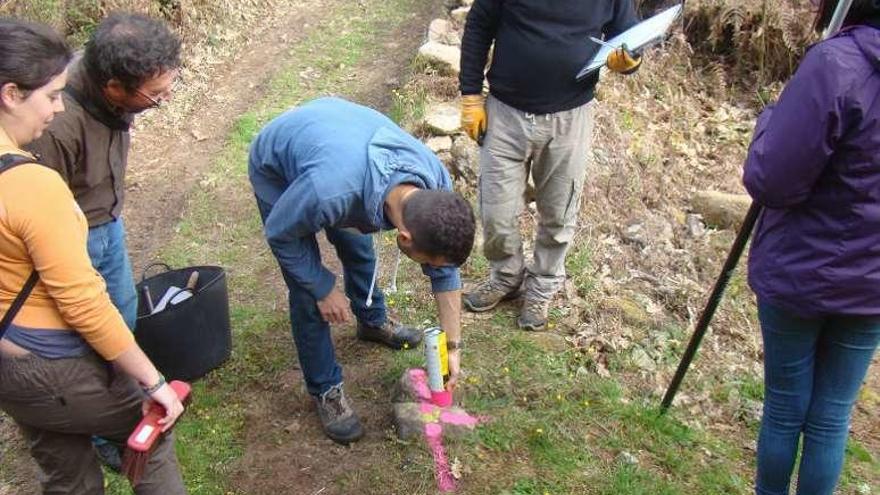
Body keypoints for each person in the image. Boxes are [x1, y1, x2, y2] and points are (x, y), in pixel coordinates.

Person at [0, 18, 186, 494]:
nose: (56, 106)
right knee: (153, 430)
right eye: (49, 96)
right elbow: (83, 302)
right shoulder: (31, 180)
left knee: (67, 473)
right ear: (11, 94)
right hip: (48, 364)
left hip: (11, 364)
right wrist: (153, 383)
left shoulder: (104, 88)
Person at [249, 97, 476, 445]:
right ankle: (325, 388)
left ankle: (371, 322)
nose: (431, 270)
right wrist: (323, 288)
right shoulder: (329, 192)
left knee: (357, 246)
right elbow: (280, 233)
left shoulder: (434, 180)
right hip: (279, 166)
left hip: (340, 149)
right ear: (403, 237)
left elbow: (445, 274)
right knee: (307, 291)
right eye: (427, 263)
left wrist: (454, 348)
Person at [743, 1, 880, 493]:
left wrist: (770, 121)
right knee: (830, 419)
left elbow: (773, 180)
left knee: (785, 408)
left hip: (802, 270)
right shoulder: (840, 65)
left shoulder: (835, 64)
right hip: (870, 288)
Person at [459, 0, 643, 330]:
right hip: (505, 114)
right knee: (495, 212)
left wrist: (628, 60)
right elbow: (478, 26)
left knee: (559, 213)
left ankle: (542, 287)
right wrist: (470, 95)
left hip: (570, 118)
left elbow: (629, 37)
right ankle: (506, 276)